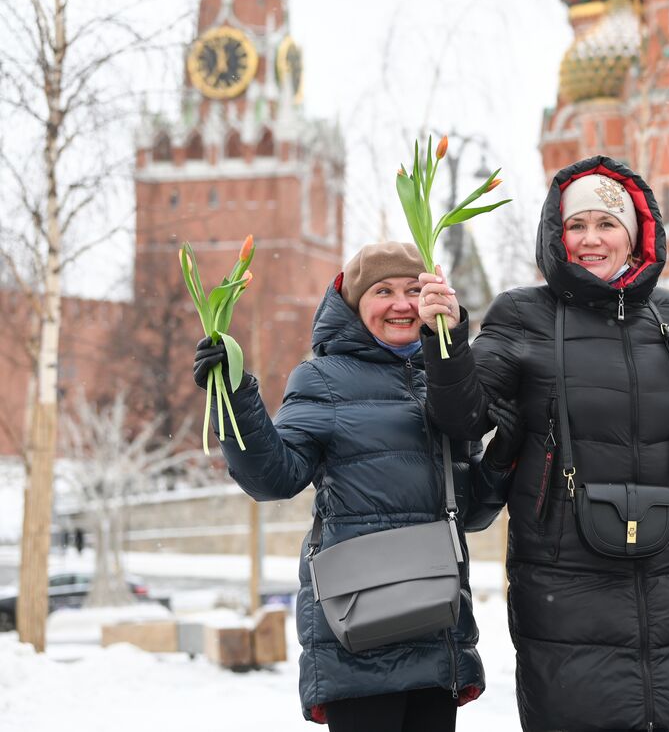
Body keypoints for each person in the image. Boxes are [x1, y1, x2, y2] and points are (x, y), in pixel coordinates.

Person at [418, 156, 669, 732]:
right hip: (565, 569)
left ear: (634, 237)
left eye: (607, 225)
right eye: (575, 226)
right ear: (555, 236)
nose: (590, 240)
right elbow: (462, 416)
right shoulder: (521, 313)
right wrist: (447, 340)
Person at [191, 241, 494, 730]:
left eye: (414, 290)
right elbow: (274, 478)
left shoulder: (448, 378)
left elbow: (474, 506)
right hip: (359, 626)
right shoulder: (324, 379)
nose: (401, 303)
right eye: (383, 291)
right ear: (355, 305)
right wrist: (234, 399)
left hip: (435, 622)